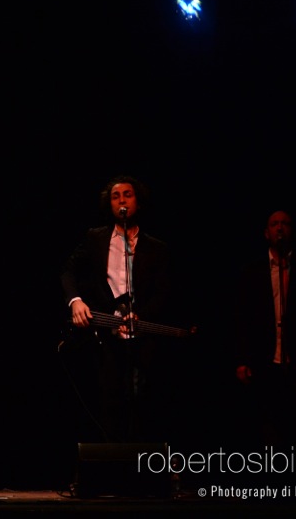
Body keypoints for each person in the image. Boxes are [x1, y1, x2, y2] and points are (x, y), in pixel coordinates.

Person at [60, 175, 173, 444]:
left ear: (139, 202)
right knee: (110, 396)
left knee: (142, 396)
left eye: (128, 195)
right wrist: (76, 301)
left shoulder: (156, 248)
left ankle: (142, 469)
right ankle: (113, 469)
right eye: (115, 196)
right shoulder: (95, 238)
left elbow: (164, 291)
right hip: (106, 333)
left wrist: (141, 313)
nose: (122, 200)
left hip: (142, 332)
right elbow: (68, 271)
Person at [233, 210, 296, 446]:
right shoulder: (252, 272)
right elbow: (242, 317)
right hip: (264, 359)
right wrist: (242, 359)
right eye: (274, 224)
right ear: (266, 233)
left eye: (285, 223)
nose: (280, 228)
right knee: (268, 424)